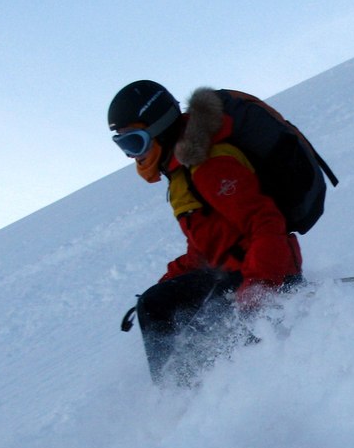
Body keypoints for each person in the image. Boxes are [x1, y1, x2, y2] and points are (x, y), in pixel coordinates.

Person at [109, 80, 304, 384]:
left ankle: (183, 400)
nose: (133, 156)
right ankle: (183, 395)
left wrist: (258, 290)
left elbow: (265, 223)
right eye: (123, 146)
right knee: (159, 305)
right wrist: (167, 284)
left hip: (263, 280)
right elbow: (206, 249)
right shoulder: (182, 174)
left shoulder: (209, 164)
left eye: (134, 143)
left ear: (159, 127)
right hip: (234, 279)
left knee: (164, 313)